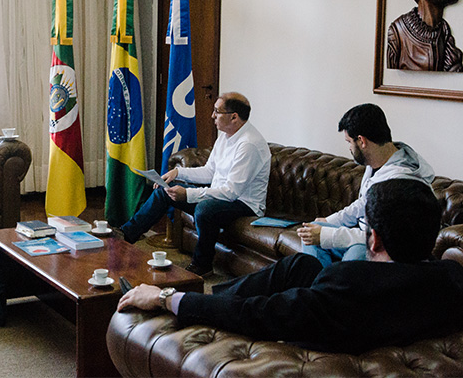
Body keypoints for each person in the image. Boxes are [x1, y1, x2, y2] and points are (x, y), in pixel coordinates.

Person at [117, 178, 463, 355]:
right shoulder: (451, 277)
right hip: (397, 308)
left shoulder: (347, 285)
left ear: (372, 240)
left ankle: (208, 306)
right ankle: (220, 295)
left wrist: (165, 298)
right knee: (298, 265)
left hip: (331, 336)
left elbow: (260, 314)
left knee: (246, 303)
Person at [120, 92, 271, 276]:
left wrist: (188, 194)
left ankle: (202, 266)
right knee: (164, 192)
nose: (212, 115)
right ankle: (125, 236)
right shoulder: (225, 135)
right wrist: (178, 172)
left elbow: (231, 192)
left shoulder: (249, 145)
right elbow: (210, 172)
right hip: (222, 195)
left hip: (245, 204)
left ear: (234, 117)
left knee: (206, 210)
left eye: (217, 111)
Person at [296, 103, 434, 267]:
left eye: (349, 142)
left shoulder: (400, 180)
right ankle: (320, 286)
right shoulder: (376, 163)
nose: (348, 148)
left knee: (357, 253)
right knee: (312, 231)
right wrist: (327, 221)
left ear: (361, 141)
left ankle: (329, 287)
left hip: (378, 244)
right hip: (362, 234)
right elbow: (362, 204)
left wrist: (328, 234)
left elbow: (383, 239)